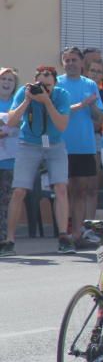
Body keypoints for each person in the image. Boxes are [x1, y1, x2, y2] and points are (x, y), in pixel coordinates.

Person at [1, 66, 73, 255]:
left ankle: (64, 236)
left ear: (55, 84)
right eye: (41, 84)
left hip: (55, 144)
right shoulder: (24, 93)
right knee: (18, 191)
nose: (44, 89)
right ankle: (9, 240)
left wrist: (46, 101)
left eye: (48, 85)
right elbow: (10, 121)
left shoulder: (62, 95)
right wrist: (27, 100)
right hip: (29, 144)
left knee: (60, 188)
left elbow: (62, 125)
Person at [57, 46, 103, 248]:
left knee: (80, 191)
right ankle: (63, 233)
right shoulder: (56, 84)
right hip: (61, 146)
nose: (70, 64)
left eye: (74, 60)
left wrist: (92, 105)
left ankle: (77, 234)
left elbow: (100, 117)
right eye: (66, 60)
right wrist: (82, 104)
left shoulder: (90, 85)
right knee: (62, 190)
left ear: (81, 62)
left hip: (85, 146)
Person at [0, 67, 19, 249]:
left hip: (11, 160)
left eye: (10, 80)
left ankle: (4, 238)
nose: (6, 83)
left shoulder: (17, 103)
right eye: (3, 79)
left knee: (6, 199)